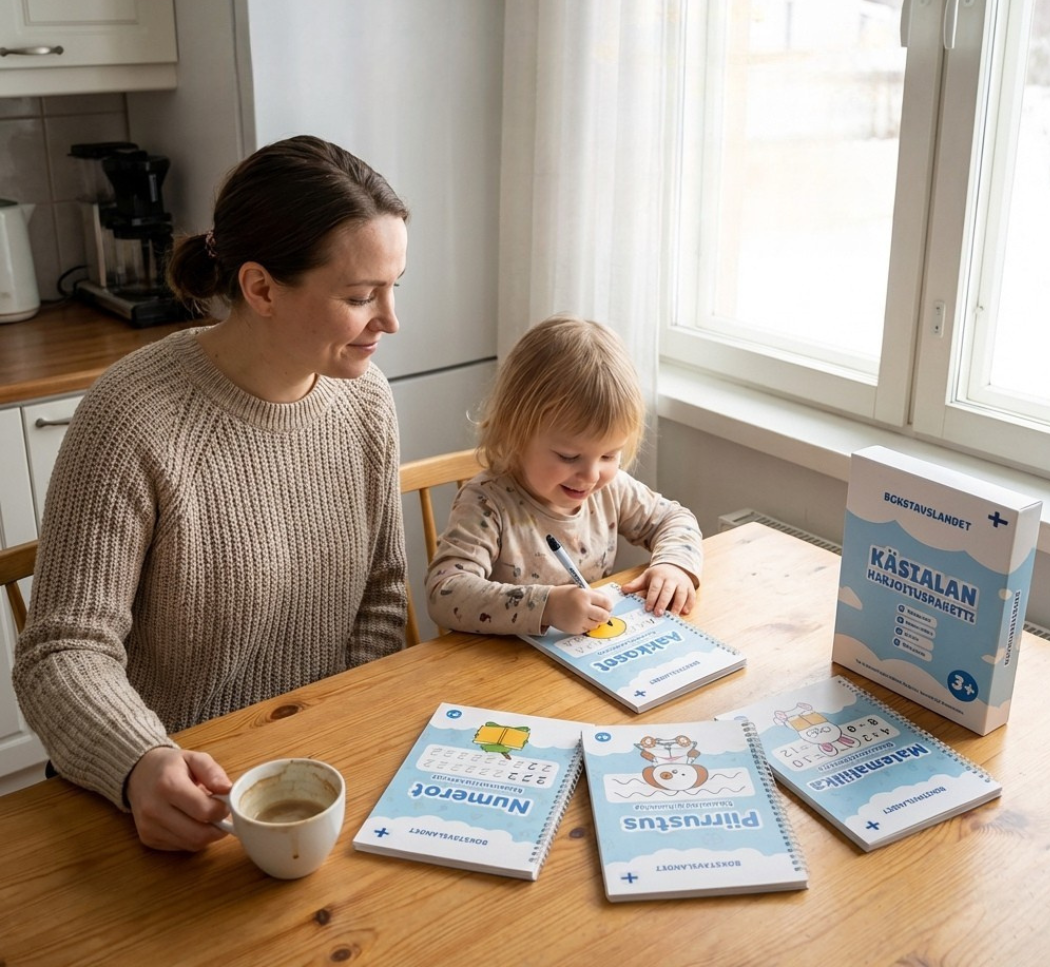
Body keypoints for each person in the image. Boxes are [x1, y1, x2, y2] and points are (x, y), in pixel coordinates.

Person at [14, 135, 410, 852]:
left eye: (394, 287)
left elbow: (380, 594)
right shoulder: (132, 414)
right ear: (260, 289)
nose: (390, 320)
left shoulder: (367, 401)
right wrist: (141, 761)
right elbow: (61, 651)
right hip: (162, 799)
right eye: (360, 296)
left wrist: (346, 731)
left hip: (311, 783)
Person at [426, 315, 703, 637]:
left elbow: (674, 519)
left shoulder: (609, 488)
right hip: (499, 672)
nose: (591, 474)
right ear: (515, 434)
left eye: (609, 455)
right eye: (569, 456)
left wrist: (674, 565)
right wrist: (546, 606)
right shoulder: (488, 503)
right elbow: (444, 593)